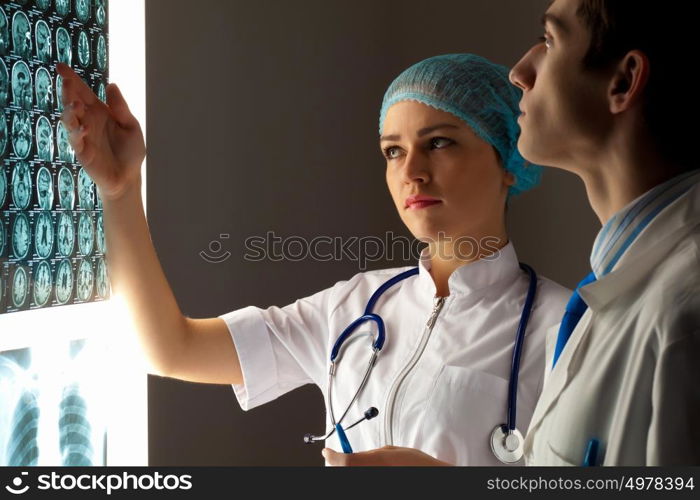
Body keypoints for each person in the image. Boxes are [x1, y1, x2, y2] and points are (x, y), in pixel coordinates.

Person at [57, 54, 569, 466]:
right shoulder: (355, 305)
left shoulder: (567, 328)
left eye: (438, 143)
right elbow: (169, 349)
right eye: (393, 151)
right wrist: (122, 192)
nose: (412, 171)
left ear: (508, 159)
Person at [509, 0, 700, 465]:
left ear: (622, 81)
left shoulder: (685, 314)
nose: (519, 72)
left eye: (550, 40)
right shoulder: (614, 290)